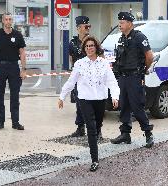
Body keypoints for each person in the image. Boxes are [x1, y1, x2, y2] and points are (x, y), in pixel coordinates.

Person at [58, 36, 119, 172]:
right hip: (85, 99)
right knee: (91, 128)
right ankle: (95, 160)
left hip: (100, 99)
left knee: (97, 126)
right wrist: (62, 96)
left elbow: (112, 82)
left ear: (96, 47)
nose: (89, 48)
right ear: (84, 49)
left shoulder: (104, 63)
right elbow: (71, 81)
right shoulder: (80, 63)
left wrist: (115, 97)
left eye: (91, 46)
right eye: (86, 46)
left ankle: (95, 139)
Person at [110, 12, 154, 148]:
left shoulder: (139, 37)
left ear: (130, 23)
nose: (120, 25)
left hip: (135, 77)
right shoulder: (122, 38)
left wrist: (143, 70)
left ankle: (148, 134)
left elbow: (150, 56)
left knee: (137, 106)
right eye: (119, 22)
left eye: (122, 23)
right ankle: (125, 134)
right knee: (124, 106)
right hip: (123, 77)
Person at [0, 12, 27, 130]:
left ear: (12, 21)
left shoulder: (18, 35)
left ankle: (15, 122)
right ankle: (0, 122)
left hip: (14, 67)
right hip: (0, 67)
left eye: (10, 19)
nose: (8, 21)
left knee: (15, 96)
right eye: (6, 19)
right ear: (3, 21)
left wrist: (23, 69)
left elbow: (22, 53)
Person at [68, 16, 92, 137]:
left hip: (91, 78)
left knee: (92, 104)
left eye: (89, 26)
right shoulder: (72, 42)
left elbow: (100, 57)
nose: (88, 28)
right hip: (79, 78)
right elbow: (71, 58)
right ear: (78, 28)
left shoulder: (92, 41)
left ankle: (96, 129)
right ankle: (80, 127)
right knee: (79, 103)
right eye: (85, 26)